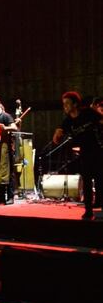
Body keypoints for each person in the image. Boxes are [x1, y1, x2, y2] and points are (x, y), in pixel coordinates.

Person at [52, 91, 103, 219]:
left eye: (67, 104)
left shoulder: (88, 113)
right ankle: (88, 210)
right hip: (85, 152)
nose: (65, 107)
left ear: (75, 104)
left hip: (98, 150)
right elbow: (56, 138)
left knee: (100, 180)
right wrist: (57, 133)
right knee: (86, 181)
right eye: (63, 104)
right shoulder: (68, 121)